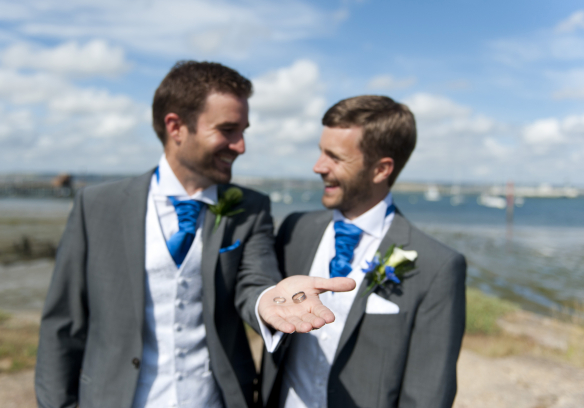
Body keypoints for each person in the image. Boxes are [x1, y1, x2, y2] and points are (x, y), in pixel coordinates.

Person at [35, 61, 355, 408]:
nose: (241, 146)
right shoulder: (97, 205)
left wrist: (270, 301)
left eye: (243, 130)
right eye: (228, 129)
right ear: (176, 127)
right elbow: (63, 326)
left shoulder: (251, 208)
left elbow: (255, 280)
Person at [261, 95, 467, 408]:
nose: (318, 167)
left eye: (335, 157)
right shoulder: (295, 229)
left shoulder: (437, 266)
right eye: (320, 152)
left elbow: (427, 395)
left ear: (381, 169)